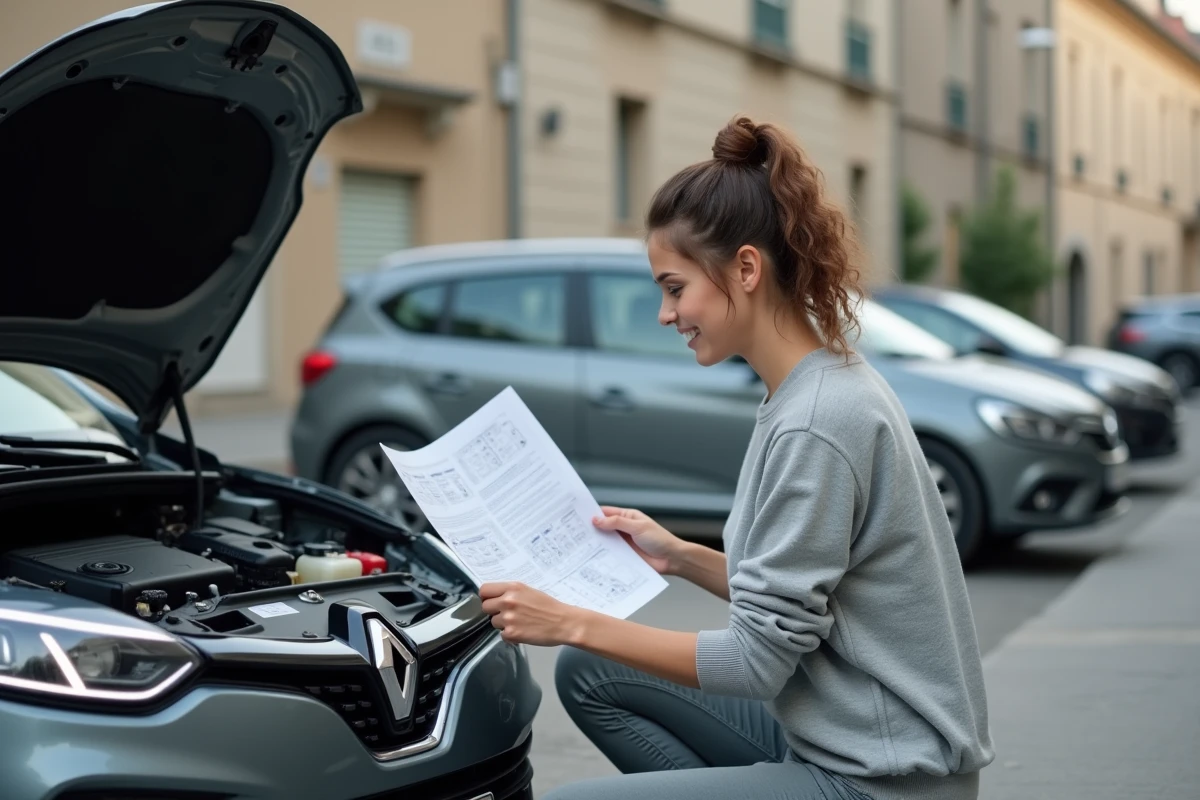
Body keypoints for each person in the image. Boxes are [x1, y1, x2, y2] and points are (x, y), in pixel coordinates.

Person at [478, 116, 994, 800]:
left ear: (745, 269)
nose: (666, 313)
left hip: (884, 778)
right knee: (588, 672)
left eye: (673, 287)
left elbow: (756, 662)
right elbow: (805, 597)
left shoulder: (817, 421)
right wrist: (678, 555)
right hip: (841, 733)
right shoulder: (812, 387)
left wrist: (568, 619)